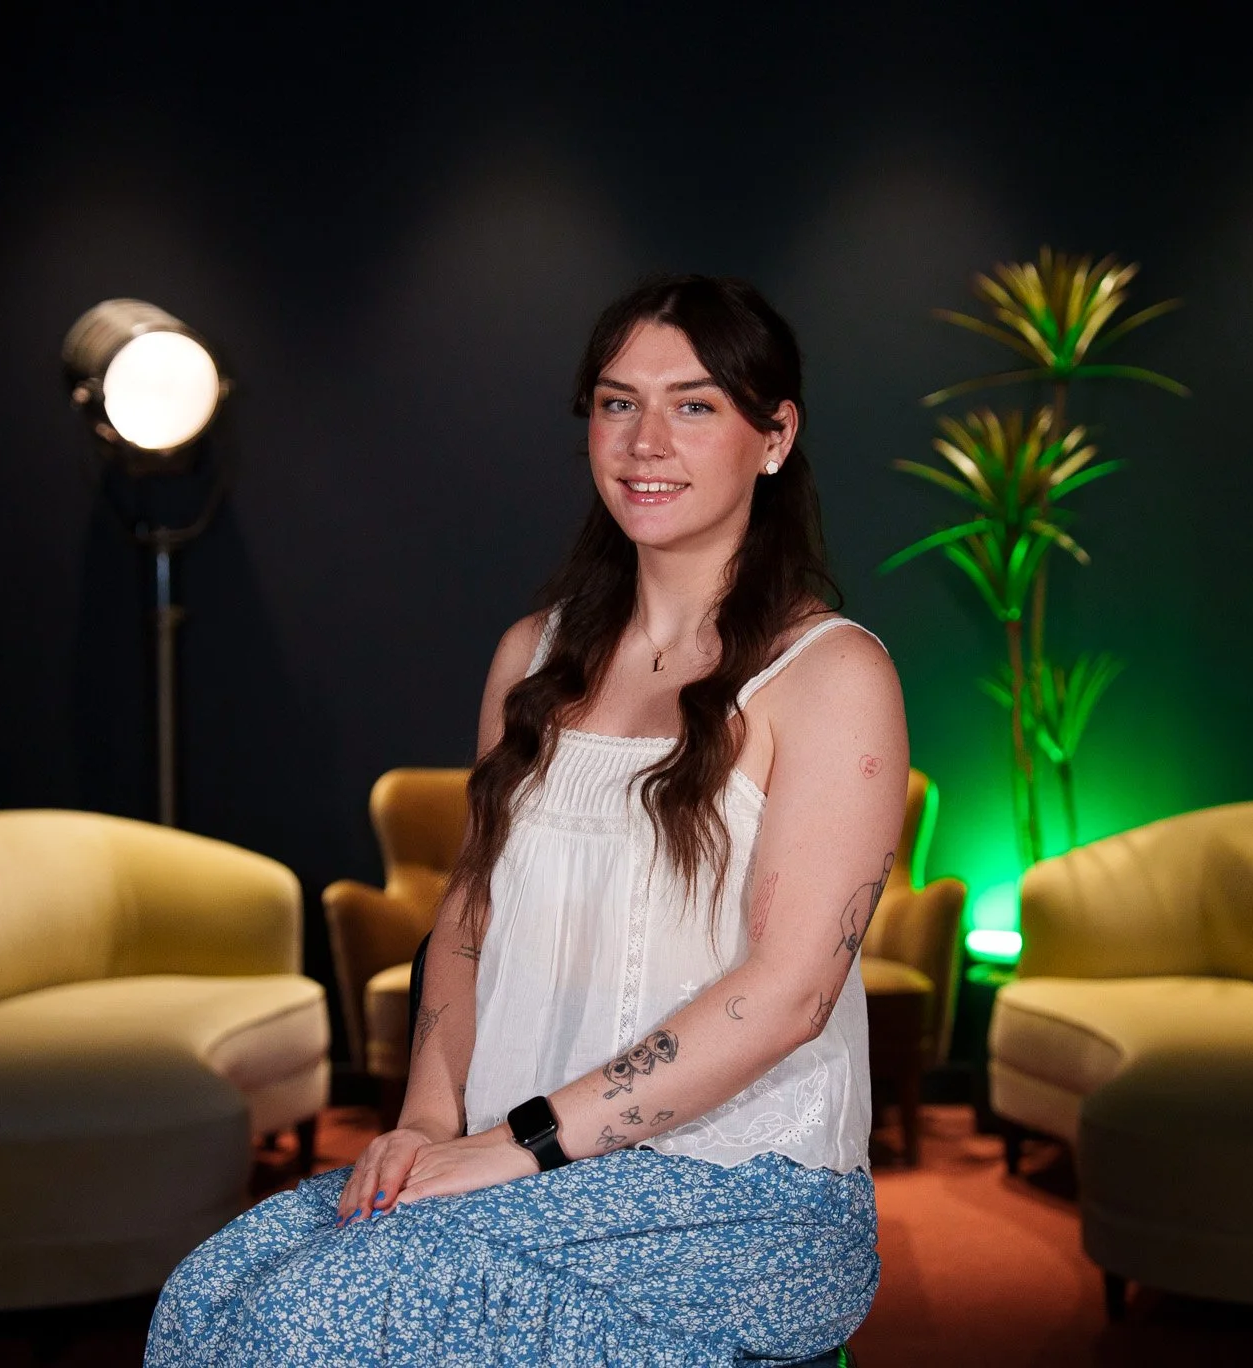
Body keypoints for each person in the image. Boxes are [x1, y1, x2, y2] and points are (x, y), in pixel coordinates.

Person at [145, 274, 908, 1366]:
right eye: (615, 402)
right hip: (518, 1158)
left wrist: (515, 1144)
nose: (645, 441)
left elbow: (786, 997)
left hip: (742, 1196)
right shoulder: (533, 657)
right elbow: (468, 912)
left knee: (304, 1319)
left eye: (694, 405)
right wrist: (422, 1121)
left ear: (773, 435)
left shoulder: (829, 675)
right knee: (211, 1293)